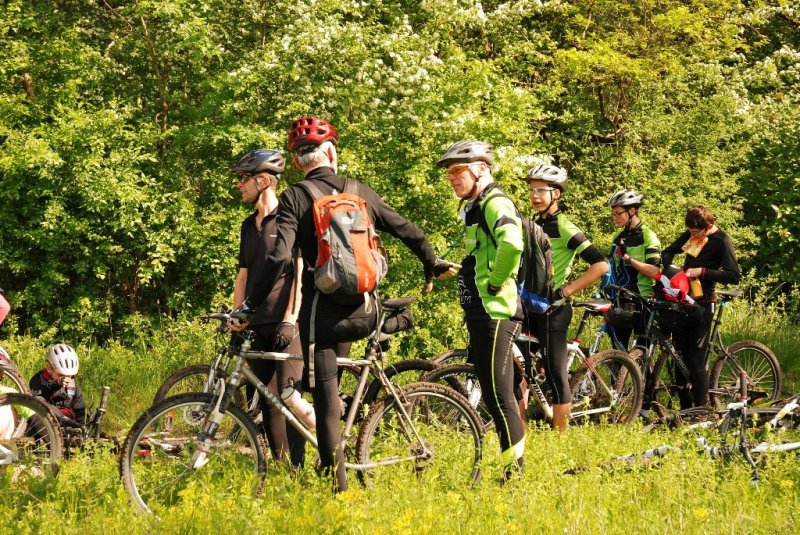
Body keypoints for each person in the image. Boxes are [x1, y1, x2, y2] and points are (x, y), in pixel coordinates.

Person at [245, 116, 449, 492]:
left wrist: (250, 305)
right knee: (338, 388)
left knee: (325, 400)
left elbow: (277, 259)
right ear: (332, 153)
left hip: (322, 317)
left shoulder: (294, 197)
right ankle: (395, 327)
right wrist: (431, 264)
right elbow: (406, 228)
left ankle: (334, 487)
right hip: (365, 311)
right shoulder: (359, 190)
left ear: (296, 163)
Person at [438, 140, 526, 478]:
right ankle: (511, 469)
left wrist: (493, 283)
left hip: (496, 311)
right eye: (449, 173)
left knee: (500, 397)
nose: (452, 178)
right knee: (494, 395)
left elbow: (512, 243)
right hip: (481, 311)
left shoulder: (495, 201)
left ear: (481, 169)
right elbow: (484, 254)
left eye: (458, 170)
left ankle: (514, 476)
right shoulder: (475, 206)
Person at [231, 148, 308, 467]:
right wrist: (237, 317)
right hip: (255, 326)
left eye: (243, 179)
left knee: (287, 395)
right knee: (267, 401)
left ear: (264, 181)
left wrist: (291, 319)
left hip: (285, 324)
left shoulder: (290, 220)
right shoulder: (248, 226)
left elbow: (301, 273)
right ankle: (283, 472)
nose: (239, 185)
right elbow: (243, 276)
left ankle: (308, 466)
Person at [523, 164, 608, 431]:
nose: (535, 195)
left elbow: (601, 264)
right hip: (529, 305)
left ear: (556, 194)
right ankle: (519, 431)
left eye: (541, 190)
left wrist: (567, 290)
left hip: (554, 309)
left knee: (556, 373)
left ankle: (561, 437)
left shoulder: (564, 226)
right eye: (532, 190)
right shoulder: (534, 223)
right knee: (521, 369)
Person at [661, 205, 741, 408]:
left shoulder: (722, 241)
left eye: (696, 232)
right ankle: (685, 410)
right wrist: (671, 270)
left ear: (709, 226)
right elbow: (668, 251)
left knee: (695, 359)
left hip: (704, 303)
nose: (693, 236)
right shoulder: (691, 233)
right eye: (690, 232)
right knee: (679, 356)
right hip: (684, 302)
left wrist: (702, 272)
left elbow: (733, 276)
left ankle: (703, 408)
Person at [606, 189, 661, 349]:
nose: (615, 218)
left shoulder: (648, 236)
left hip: (642, 300)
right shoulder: (617, 237)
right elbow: (612, 270)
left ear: (632, 211)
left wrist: (629, 259)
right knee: (618, 354)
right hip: (620, 299)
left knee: (642, 354)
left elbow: (654, 271)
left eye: (618, 214)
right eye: (613, 214)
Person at [29, 343, 86, 427]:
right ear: (49, 368)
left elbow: (80, 411)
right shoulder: (37, 379)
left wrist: (80, 428)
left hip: (68, 428)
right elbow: (34, 400)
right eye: (62, 375)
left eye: (71, 376)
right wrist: (56, 384)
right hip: (45, 425)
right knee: (38, 400)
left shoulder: (72, 385)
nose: (67, 379)